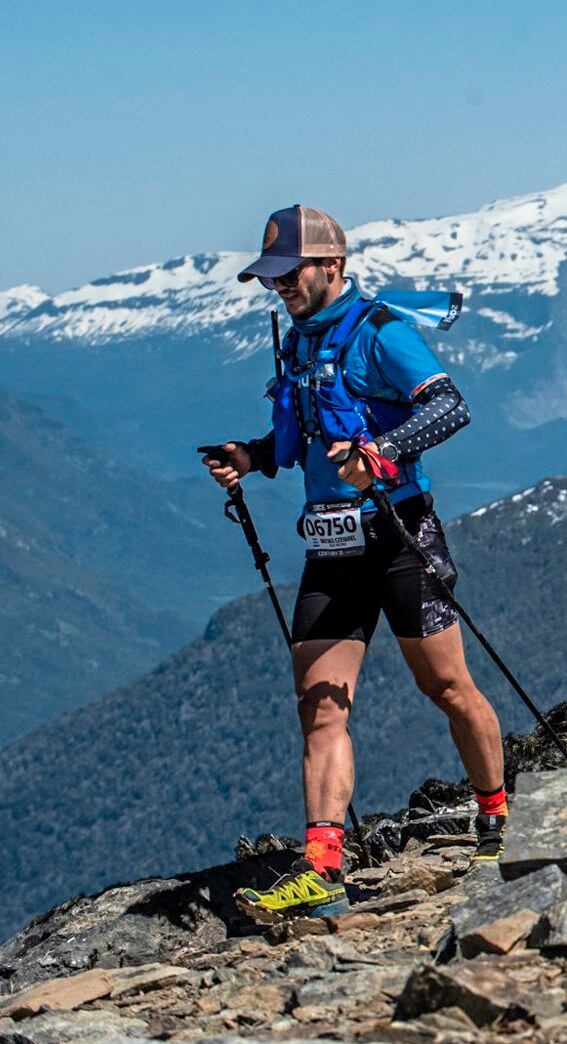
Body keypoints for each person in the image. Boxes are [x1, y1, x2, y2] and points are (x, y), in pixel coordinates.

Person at [202, 204, 505, 921]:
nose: (279, 285)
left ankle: (495, 819)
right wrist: (251, 456)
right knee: (320, 707)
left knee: (447, 687)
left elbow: (449, 407)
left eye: (290, 272)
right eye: (271, 276)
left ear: (332, 265)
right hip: (331, 547)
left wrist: (382, 453)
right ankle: (323, 870)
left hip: (401, 536)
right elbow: (303, 439)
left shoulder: (380, 332)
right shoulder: (299, 344)